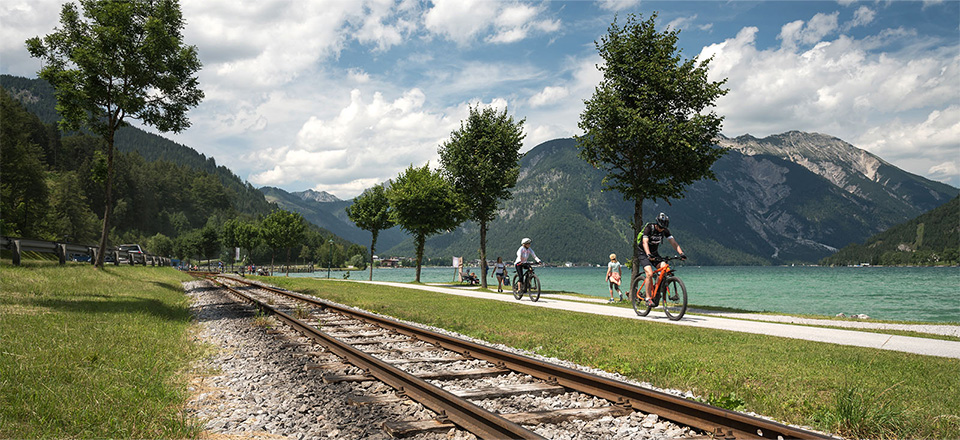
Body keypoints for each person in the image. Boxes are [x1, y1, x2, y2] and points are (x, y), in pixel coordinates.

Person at [638, 213, 686, 306]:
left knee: (664, 267)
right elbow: (645, 242)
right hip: (643, 252)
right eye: (660, 227)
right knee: (649, 273)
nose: (661, 229)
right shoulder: (649, 228)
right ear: (657, 223)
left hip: (654, 253)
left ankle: (657, 290)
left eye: (663, 228)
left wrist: (681, 253)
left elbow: (674, 243)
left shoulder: (665, 231)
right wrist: (648, 254)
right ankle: (648, 298)